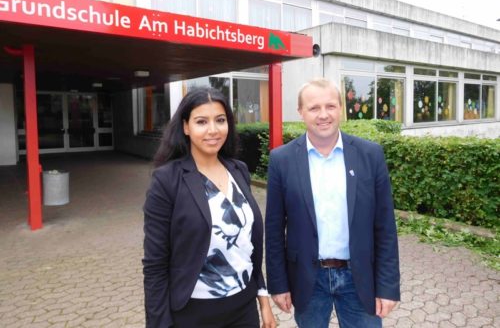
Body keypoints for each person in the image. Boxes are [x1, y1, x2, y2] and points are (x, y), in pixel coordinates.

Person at [265, 78, 400, 328]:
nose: (323, 115)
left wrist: (388, 286)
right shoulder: (281, 160)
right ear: (301, 112)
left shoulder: (370, 155)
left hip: (359, 277)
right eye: (314, 108)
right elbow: (273, 230)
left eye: (330, 106)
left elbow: (385, 227)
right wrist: (278, 284)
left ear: (341, 109)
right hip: (308, 279)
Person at [143, 87, 276, 328]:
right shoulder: (167, 180)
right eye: (201, 121)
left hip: (243, 308)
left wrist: (263, 300)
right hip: (194, 313)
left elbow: (247, 245)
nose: (213, 130)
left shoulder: (238, 170)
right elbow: (155, 265)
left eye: (220, 120)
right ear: (186, 127)